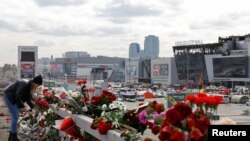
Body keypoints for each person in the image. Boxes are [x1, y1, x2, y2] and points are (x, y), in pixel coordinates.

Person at [3, 75, 43, 141]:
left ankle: (11, 137)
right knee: (15, 116)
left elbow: (28, 99)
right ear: (35, 83)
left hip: (13, 98)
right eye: (38, 85)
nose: (37, 87)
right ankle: (13, 138)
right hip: (9, 96)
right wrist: (23, 107)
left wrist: (34, 108)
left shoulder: (29, 87)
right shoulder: (24, 84)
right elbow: (18, 96)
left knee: (15, 116)